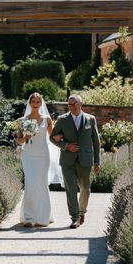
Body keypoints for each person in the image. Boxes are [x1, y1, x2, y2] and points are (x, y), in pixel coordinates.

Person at [50, 94, 101, 229]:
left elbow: (96, 142)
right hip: (67, 160)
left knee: (85, 188)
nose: (71, 107)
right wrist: (66, 145)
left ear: (81, 104)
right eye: (69, 105)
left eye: (74, 104)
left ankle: (82, 211)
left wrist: (97, 162)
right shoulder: (62, 120)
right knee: (71, 189)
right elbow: (52, 138)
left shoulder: (91, 119)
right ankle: (75, 218)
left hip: (85, 160)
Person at [16, 92, 63, 227]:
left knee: (41, 183)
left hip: (43, 156)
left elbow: (52, 137)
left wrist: (63, 141)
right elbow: (19, 141)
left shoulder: (47, 119)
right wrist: (26, 137)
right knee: (30, 183)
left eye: (38, 102)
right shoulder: (23, 120)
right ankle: (29, 217)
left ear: (41, 104)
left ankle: (43, 217)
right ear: (30, 103)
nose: (36, 104)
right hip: (29, 156)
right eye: (33, 102)